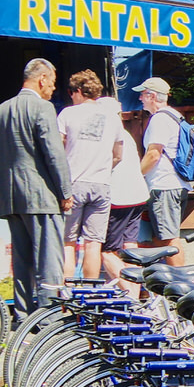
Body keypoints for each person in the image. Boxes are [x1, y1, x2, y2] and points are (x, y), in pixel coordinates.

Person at [0, 57, 72, 312]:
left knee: (21, 261)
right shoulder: (42, 108)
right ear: (42, 79)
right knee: (48, 260)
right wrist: (65, 192)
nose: (53, 89)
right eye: (53, 83)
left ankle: (23, 315)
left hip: (11, 197)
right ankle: (49, 318)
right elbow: (54, 153)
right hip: (41, 195)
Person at [58, 69, 124, 281]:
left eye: (71, 92)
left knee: (68, 242)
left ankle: (66, 295)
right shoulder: (113, 118)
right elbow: (118, 155)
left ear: (78, 91)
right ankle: (89, 292)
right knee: (93, 243)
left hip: (73, 184)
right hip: (101, 184)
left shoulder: (68, 114)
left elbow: (58, 149)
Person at [135, 76, 188, 252]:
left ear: (151, 96)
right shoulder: (175, 116)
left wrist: (135, 177)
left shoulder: (159, 119)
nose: (140, 99)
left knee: (168, 240)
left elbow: (153, 154)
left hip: (164, 185)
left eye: (142, 94)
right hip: (176, 184)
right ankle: (168, 277)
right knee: (161, 239)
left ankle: (180, 277)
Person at [102, 126, 151, 294]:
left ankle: (129, 295)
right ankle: (136, 296)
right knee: (130, 247)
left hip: (118, 195)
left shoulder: (105, 131)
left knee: (107, 251)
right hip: (137, 194)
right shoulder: (126, 134)